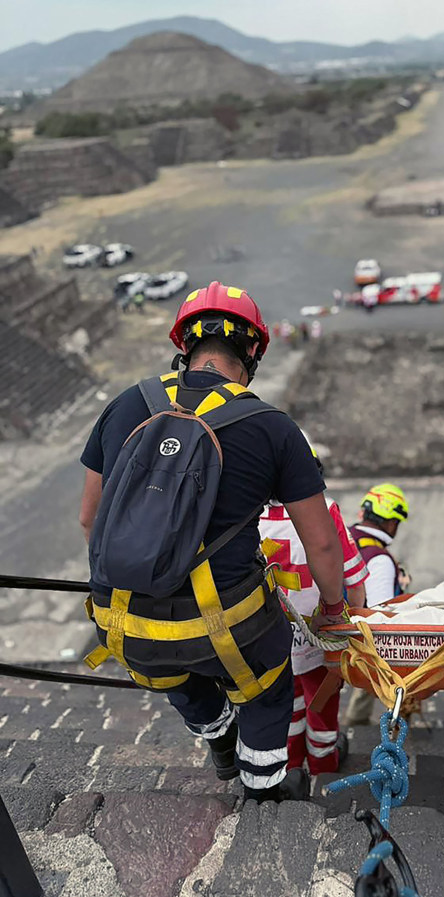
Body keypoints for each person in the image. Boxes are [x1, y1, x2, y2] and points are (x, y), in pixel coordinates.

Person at [79, 281, 346, 804]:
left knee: (170, 665)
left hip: (126, 623)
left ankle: (215, 731)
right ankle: (264, 786)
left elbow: (90, 520)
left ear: (185, 346)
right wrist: (334, 610)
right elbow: (323, 545)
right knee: (268, 690)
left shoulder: (125, 404)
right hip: (230, 626)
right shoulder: (272, 427)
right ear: (253, 350)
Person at [259, 441, 368, 775]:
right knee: (322, 708)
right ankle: (323, 768)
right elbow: (353, 573)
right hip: (322, 630)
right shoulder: (327, 509)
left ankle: (291, 768)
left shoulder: (250, 513)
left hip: (271, 633)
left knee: (287, 707)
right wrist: (356, 623)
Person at [343, 483, 410, 726]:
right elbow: (380, 615)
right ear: (391, 522)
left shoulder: (347, 536)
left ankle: (355, 719)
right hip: (360, 644)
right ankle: (387, 723)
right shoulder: (379, 558)